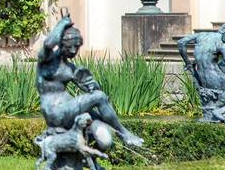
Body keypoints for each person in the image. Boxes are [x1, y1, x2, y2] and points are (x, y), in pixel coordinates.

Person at [36, 9, 144, 149]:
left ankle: (100, 151)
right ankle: (125, 133)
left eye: (77, 47)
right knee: (99, 97)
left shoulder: (71, 69)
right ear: (61, 44)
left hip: (68, 112)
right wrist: (62, 24)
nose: (74, 51)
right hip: (55, 113)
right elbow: (49, 43)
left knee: (104, 134)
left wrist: (91, 84)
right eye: (70, 47)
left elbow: (91, 88)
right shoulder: (46, 60)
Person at [176, 21, 225, 122]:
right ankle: (219, 112)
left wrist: (188, 63)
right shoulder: (221, 45)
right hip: (215, 79)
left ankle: (214, 114)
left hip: (201, 78)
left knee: (224, 67)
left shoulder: (201, 35)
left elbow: (181, 42)